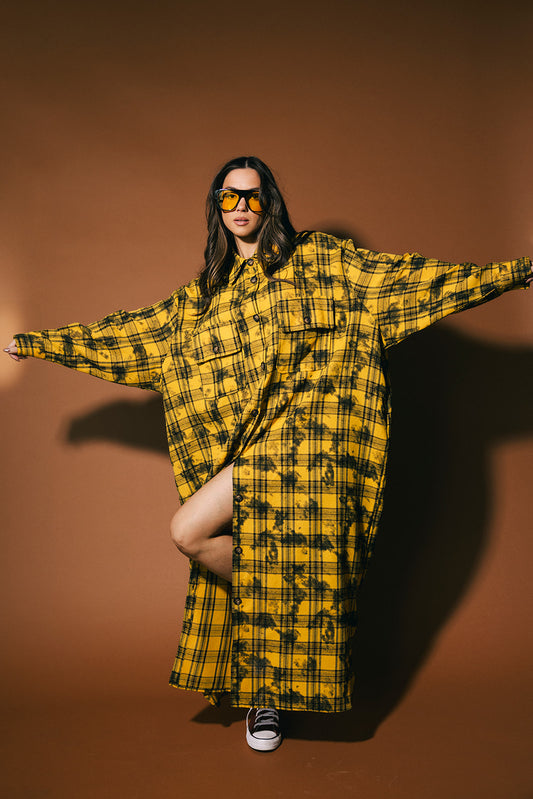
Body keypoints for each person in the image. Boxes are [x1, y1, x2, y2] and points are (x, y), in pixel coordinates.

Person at [5, 156, 533, 752]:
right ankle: (286, 624)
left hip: (316, 452)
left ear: (270, 203)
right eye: (229, 199)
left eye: (252, 199)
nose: (241, 210)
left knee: (241, 544)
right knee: (189, 530)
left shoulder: (323, 261)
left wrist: (516, 272)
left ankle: (267, 697)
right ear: (216, 206)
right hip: (256, 453)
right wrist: (44, 344)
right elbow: (135, 336)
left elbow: (409, 280)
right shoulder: (206, 299)